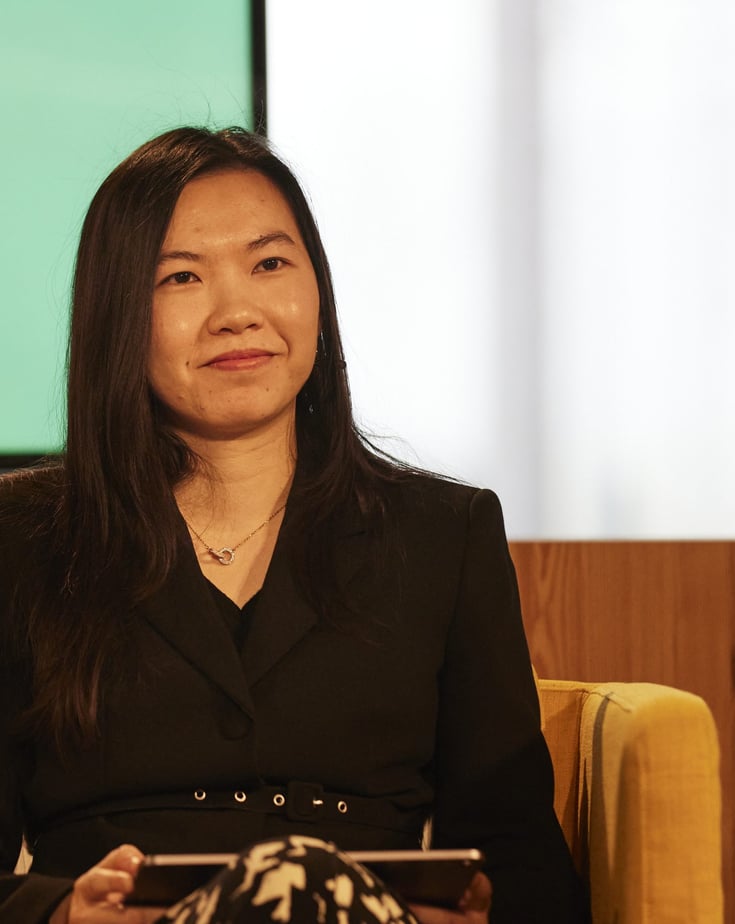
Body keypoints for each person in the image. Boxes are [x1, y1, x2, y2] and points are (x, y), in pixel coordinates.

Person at [0, 126, 589, 923]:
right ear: (116, 313)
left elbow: (525, 866)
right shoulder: (22, 540)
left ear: (317, 293)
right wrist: (61, 911)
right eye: (180, 277)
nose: (236, 312)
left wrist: (479, 909)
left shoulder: (442, 535)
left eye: (269, 263)